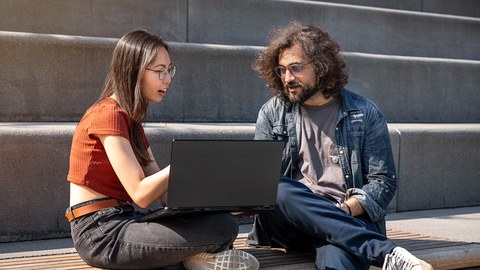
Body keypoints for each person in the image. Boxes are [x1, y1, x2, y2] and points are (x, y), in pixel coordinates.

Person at [246, 22, 433, 270]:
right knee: (275, 186)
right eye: (282, 70)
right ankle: (387, 254)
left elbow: (383, 181)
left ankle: (352, 236)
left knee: (338, 258)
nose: (287, 78)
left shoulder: (364, 113)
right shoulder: (273, 112)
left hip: (346, 220)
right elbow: (261, 181)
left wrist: (343, 210)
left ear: (322, 67)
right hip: (290, 225)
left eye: (296, 68)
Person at [65, 30, 259, 270]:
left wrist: (222, 200)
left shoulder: (131, 121)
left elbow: (165, 196)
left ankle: (193, 258)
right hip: (100, 233)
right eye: (159, 71)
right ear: (134, 70)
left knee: (222, 222)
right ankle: (197, 259)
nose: (167, 79)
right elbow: (140, 194)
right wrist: (189, 164)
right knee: (220, 230)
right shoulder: (108, 114)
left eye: (169, 70)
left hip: (126, 220)